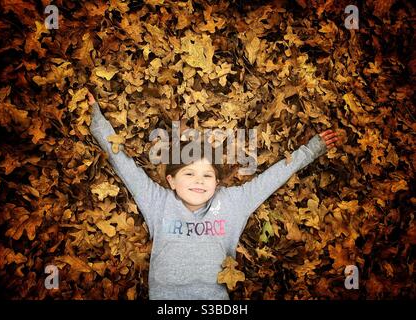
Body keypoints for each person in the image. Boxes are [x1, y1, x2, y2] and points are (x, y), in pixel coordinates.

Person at [87, 92, 339, 300]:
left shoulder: (232, 203)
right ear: (171, 181)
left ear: (217, 182)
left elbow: (269, 180)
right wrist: (96, 119)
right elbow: (125, 166)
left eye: (207, 175)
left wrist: (310, 150)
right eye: (189, 174)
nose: (199, 181)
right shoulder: (158, 202)